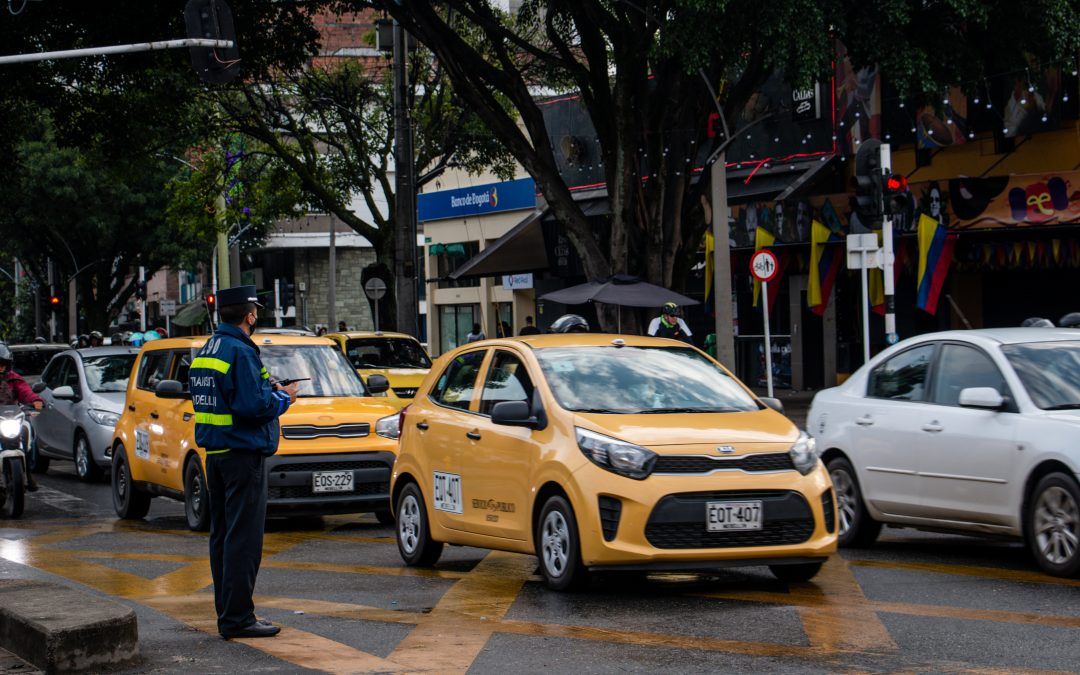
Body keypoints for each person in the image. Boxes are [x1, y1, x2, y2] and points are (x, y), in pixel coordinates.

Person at [188, 285, 298, 640]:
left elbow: (228, 397)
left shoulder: (209, 348)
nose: (257, 315)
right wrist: (284, 398)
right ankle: (237, 618)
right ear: (249, 315)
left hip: (216, 457)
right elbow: (254, 408)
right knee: (243, 540)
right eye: (256, 310)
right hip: (241, 457)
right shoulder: (241, 351)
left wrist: (267, 391)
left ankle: (228, 613)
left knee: (222, 537)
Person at [0, 344, 44, 492]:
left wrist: (35, 400)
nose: (1, 368)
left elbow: (25, 391)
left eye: (3, 364)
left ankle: (28, 472)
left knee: (28, 429)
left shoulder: (14, 378)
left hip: (12, 416)